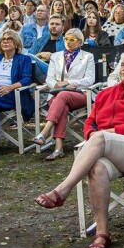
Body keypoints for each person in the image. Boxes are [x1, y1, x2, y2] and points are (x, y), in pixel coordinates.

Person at [34, 49, 124, 248]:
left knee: (100, 137)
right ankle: (102, 234)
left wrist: (110, 132)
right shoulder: (105, 94)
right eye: (122, 64)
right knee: (96, 168)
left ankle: (63, 189)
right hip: (105, 150)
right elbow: (89, 122)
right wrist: (92, 135)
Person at [35, 29, 98, 160]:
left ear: (80, 42)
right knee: (61, 102)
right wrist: (57, 85)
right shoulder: (56, 56)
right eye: (66, 39)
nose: (68, 42)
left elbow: (90, 79)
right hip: (58, 94)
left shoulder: (88, 56)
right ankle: (58, 148)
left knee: (62, 96)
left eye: (72, 40)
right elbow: (49, 79)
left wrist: (69, 82)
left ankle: (45, 132)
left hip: (80, 93)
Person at [0, 29, 36, 160]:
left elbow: (27, 79)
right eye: (3, 39)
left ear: (16, 44)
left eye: (9, 39)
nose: (5, 41)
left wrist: (9, 88)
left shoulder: (24, 59)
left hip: (13, 94)